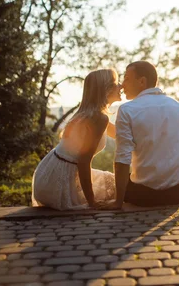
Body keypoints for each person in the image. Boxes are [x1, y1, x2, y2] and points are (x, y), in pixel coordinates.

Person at [103, 60, 179, 209]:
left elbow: (122, 157)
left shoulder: (127, 110)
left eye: (127, 78)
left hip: (142, 195)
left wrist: (118, 202)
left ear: (142, 81)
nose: (123, 85)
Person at [32, 69, 121, 210]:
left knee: (116, 183)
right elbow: (84, 162)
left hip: (50, 172)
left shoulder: (92, 114)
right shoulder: (98, 118)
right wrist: (91, 201)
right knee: (119, 187)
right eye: (117, 83)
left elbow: (119, 133)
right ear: (106, 89)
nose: (121, 86)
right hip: (60, 179)